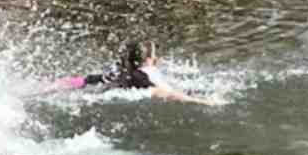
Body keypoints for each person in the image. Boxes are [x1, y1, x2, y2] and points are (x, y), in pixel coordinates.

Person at [44, 40, 216, 105]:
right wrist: (202, 101)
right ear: (149, 60)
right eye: (154, 54)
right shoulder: (147, 74)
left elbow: (82, 81)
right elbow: (165, 93)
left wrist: (48, 87)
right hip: (117, 97)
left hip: (101, 92)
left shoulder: (116, 69)